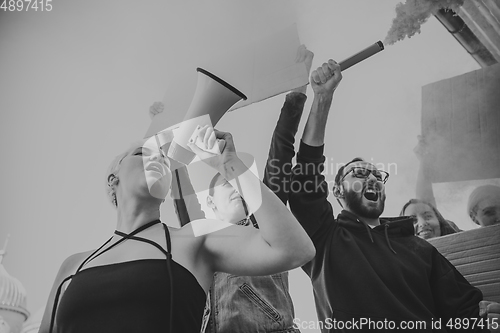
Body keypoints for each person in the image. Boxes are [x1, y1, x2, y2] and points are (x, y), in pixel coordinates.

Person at [286, 60, 500, 332]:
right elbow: (306, 176)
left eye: (377, 175)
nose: (373, 178)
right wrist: (323, 98)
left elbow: (464, 309)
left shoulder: (421, 249)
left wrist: (485, 317)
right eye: (360, 174)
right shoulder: (325, 240)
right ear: (338, 191)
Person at [39, 124, 315, 333]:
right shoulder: (73, 266)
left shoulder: (195, 239)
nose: (157, 158)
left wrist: (229, 165)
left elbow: (295, 249)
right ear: (114, 179)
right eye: (142, 153)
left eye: (162, 159)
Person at [172, 45, 314, 333]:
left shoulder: (265, 224)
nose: (236, 184)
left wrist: (298, 87)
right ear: (209, 205)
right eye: (227, 183)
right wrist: (169, 130)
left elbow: (281, 152)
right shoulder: (199, 238)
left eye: (237, 179)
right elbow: (179, 190)